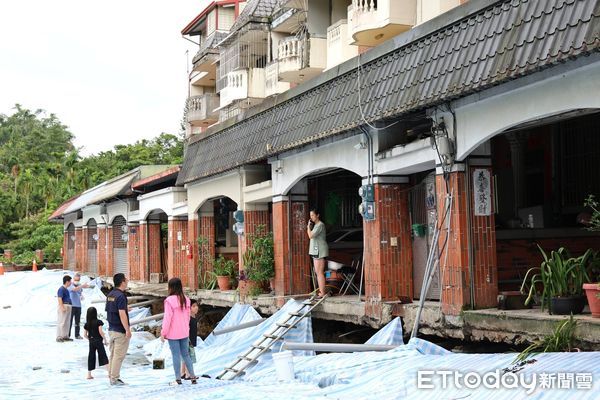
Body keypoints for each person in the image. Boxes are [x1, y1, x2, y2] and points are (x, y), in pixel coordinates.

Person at [161, 278, 198, 385]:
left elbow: (167, 318)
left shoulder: (169, 301)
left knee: (176, 355)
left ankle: (178, 379)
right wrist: (186, 329)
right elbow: (187, 317)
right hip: (184, 332)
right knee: (186, 355)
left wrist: (163, 332)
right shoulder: (186, 299)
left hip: (173, 333)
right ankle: (193, 377)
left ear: (170, 287)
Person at [105, 273, 131, 386]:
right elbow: (121, 314)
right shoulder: (121, 296)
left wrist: (125, 308)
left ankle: (111, 375)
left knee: (113, 354)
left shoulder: (110, 294)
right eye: (126, 279)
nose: (128, 280)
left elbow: (112, 309)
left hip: (111, 328)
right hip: (120, 330)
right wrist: (127, 330)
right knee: (119, 356)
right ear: (122, 282)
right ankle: (114, 379)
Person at [307, 208, 329, 297]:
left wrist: (308, 227)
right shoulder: (316, 225)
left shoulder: (320, 225)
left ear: (317, 215)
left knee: (319, 272)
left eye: (312, 215)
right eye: (310, 215)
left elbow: (310, 235)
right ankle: (321, 291)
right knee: (317, 272)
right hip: (316, 250)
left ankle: (322, 292)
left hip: (319, 250)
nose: (311, 217)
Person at [83, 306, 109, 379]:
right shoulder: (98, 322)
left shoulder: (87, 324)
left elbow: (85, 335)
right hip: (98, 341)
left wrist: (90, 339)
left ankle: (89, 375)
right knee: (103, 355)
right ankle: (109, 373)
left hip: (91, 341)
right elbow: (101, 332)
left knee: (91, 356)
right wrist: (105, 340)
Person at [181, 299, 199, 380]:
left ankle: (183, 373)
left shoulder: (193, 316)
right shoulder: (188, 318)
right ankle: (189, 374)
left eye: (196, 306)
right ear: (189, 308)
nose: (196, 308)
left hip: (191, 339)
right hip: (187, 340)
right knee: (189, 357)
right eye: (194, 306)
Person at [68, 272, 89, 339]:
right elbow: (74, 289)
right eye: (76, 278)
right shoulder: (70, 285)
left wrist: (81, 295)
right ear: (73, 277)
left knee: (78, 321)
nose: (77, 280)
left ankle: (77, 334)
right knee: (70, 321)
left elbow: (80, 292)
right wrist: (82, 286)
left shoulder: (80, 285)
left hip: (78, 305)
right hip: (72, 305)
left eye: (78, 278)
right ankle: (68, 334)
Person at [56, 275, 74, 342]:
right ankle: (59, 336)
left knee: (67, 322)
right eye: (70, 281)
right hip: (64, 305)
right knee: (62, 322)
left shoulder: (66, 289)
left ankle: (65, 336)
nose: (71, 283)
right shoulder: (61, 289)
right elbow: (59, 298)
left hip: (68, 305)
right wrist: (62, 307)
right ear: (67, 282)